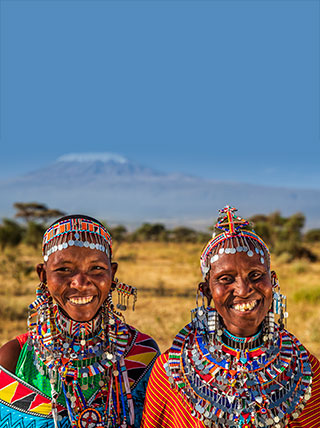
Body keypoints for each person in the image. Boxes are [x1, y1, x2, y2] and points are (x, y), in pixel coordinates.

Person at [142, 206, 320, 428]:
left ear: (272, 281)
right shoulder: (171, 370)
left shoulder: (305, 369)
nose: (244, 290)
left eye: (255, 275)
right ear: (206, 290)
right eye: (226, 279)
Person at [0, 215, 159, 428]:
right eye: (64, 270)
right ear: (43, 275)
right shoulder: (15, 358)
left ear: (112, 274)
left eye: (96, 269)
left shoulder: (142, 355)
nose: (81, 283)